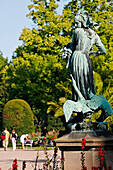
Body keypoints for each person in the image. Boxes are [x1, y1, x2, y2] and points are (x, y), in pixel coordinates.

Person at [62, 10, 106, 102]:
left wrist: (66, 49)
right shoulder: (94, 35)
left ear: (82, 23)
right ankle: (88, 101)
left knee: (77, 82)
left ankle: (79, 103)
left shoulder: (77, 31)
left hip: (77, 57)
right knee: (87, 81)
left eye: (76, 23)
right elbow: (103, 50)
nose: (75, 25)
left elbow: (72, 46)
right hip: (86, 58)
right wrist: (94, 53)